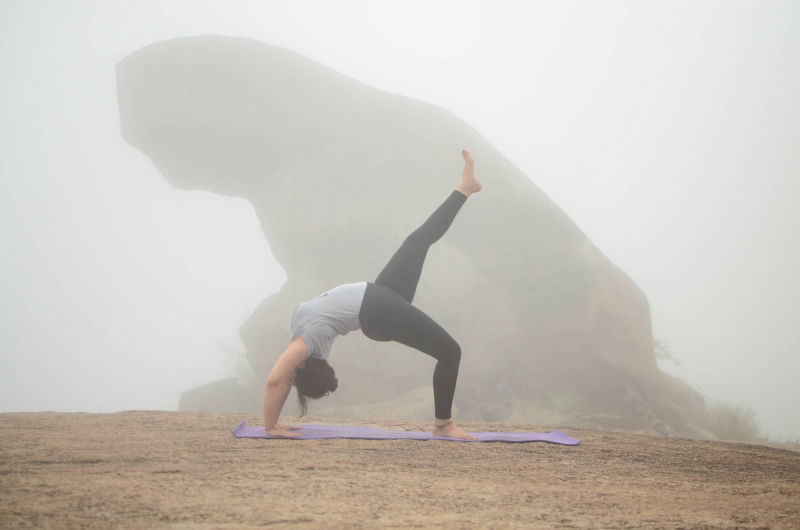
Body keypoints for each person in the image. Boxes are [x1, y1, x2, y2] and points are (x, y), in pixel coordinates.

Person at [262, 150, 482, 440]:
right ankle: (444, 425)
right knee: (450, 352)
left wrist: (273, 421)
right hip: (377, 309)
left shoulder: (301, 339)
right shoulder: (306, 342)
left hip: (380, 294)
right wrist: (270, 426)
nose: (290, 376)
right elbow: (276, 382)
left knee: (418, 240)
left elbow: (282, 380)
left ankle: (465, 189)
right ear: (303, 366)